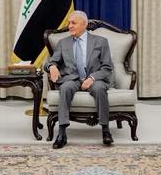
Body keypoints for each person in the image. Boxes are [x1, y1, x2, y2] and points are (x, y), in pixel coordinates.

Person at [45, 10, 116, 148]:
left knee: (100, 89)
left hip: (94, 78)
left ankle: (106, 130)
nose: (69, 26)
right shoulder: (63, 43)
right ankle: (62, 133)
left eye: (73, 23)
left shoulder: (101, 42)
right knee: (65, 88)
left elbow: (107, 67)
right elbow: (51, 61)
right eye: (69, 23)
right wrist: (52, 66)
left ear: (84, 24)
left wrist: (92, 78)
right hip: (72, 78)